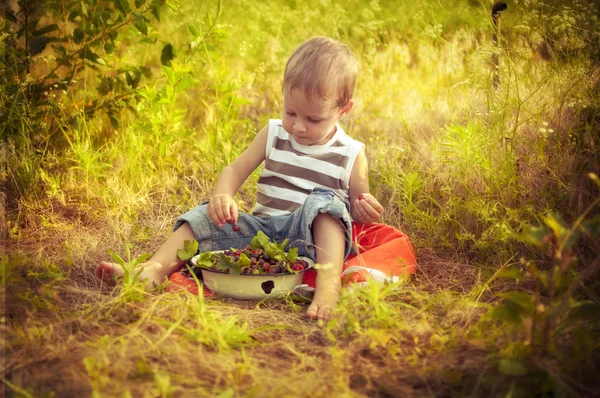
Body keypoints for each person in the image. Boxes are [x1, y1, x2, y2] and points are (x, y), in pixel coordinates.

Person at [96, 36, 384, 320]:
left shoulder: (351, 154)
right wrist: (223, 195)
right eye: (290, 112)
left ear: (343, 109)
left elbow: (355, 212)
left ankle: (328, 287)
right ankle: (153, 270)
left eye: (313, 119)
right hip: (260, 235)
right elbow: (235, 169)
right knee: (203, 216)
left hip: (308, 240)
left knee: (326, 206)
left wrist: (362, 210)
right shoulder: (273, 134)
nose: (298, 126)